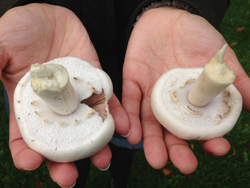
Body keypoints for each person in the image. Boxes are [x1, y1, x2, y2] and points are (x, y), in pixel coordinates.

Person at [0, 0, 249, 187]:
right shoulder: (31, 89)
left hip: (140, 73)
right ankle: (85, 175)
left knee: (127, 135)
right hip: (56, 41)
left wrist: (177, 5)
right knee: (74, 159)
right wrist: (17, 4)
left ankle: (119, 177)